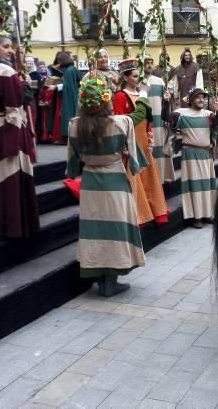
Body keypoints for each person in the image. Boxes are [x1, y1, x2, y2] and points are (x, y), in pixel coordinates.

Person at [67, 78, 145, 297]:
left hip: (90, 181)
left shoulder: (74, 125)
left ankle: (101, 280)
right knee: (115, 229)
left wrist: (73, 171)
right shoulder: (121, 123)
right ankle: (111, 280)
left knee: (95, 230)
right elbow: (134, 154)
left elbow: (72, 161)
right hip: (114, 181)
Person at [0, 31, 39, 238]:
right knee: (7, 177)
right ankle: (11, 225)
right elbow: (13, 108)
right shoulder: (4, 72)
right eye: (6, 47)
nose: (11, 51)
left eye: (10, 46)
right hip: (4, 129)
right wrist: (14, 141)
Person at [113, 58, 169, 227]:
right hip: (131, 142)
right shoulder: (121, 96)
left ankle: (154, 210)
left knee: (149, 178)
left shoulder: (141, 95)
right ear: (126, 77)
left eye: (139, 75)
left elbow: (148, 118)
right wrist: (123, 145)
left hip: (143, 141)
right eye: (136, 76)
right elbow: (120, 122)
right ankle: (140, 214)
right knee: (135, 178)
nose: (138, 79)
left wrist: (150, 136)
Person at [169, 88, 218, 228]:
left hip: (205, 154)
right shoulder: (182, 113)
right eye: (197, 97)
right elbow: (169, 121)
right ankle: (196, 217)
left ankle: (208, 214)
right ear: (191, 100)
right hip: (190, 154)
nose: (201, 100)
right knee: (194, 187)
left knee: (207, 186)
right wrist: (165, 102)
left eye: (202, 97)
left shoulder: (208, 114)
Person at [141, 56, 175, 183]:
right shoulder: (139, 82)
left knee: (160, 149)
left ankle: (160, 178)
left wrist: (167, 103)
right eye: (146, 63)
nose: (149, 65)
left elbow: (166, 103)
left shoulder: (160, 81)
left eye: (151, 63)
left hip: (159, 121)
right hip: (144, 122)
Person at [47, 51, 80, 143]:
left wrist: (55, 87)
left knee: (66, 115)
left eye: (59, 60)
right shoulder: (71, 69)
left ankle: (66, 138)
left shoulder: (69, 71)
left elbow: (67, 86)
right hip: (72, 96)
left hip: (69, 97)